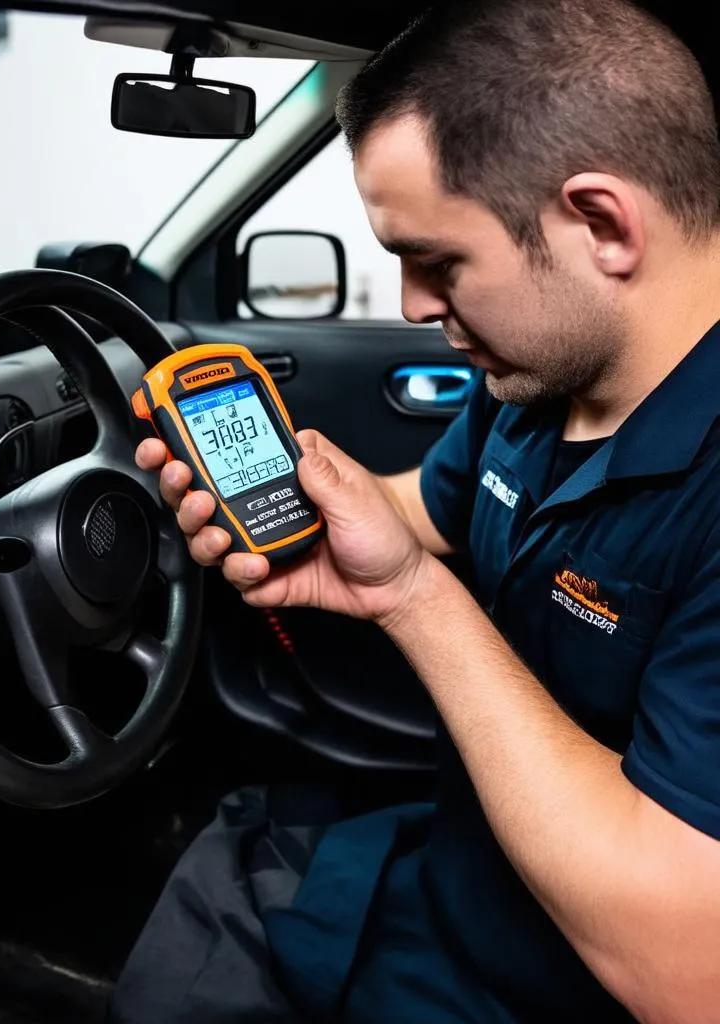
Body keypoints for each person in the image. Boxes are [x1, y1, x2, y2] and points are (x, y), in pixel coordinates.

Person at [109, 0, 720, 1020]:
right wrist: (300, 506)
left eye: (438, 262)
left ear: (603, 225)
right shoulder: (536, 384)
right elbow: (420, 511)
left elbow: (684, 966)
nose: (410, 307)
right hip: (458, 879)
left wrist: (410, 596)